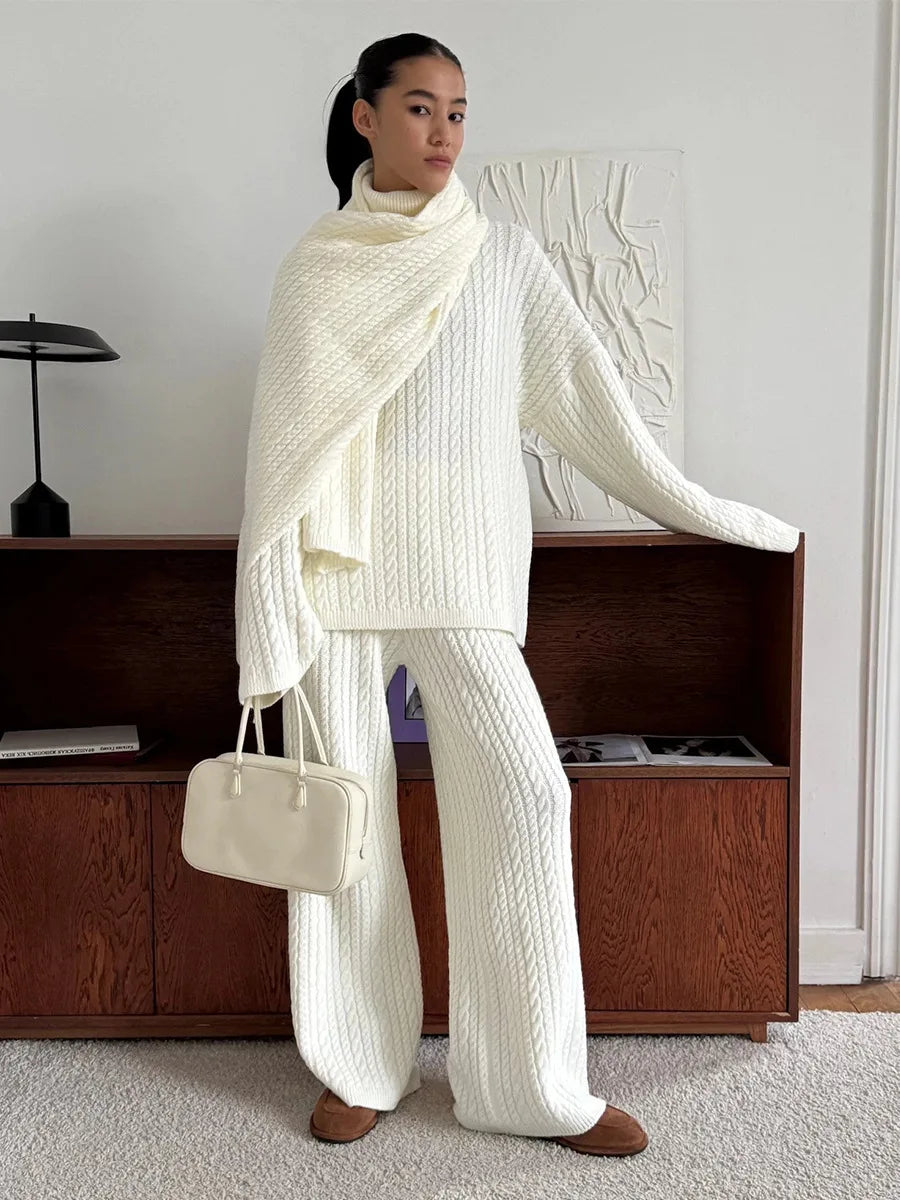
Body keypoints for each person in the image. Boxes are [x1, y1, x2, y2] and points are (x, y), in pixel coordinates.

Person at [235, 33, 800, 1156]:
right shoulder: (318, 262)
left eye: (457, 112)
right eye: (419, 109)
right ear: (364, 116)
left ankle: (530, 1085)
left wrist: (721, 516)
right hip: (336, 582)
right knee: (344, 838)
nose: (443, 133)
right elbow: (282, 453)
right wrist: (270, 600)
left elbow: (592, 406)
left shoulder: (502, 259)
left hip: (461, 577)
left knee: (528, 801)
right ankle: (359, 1064)